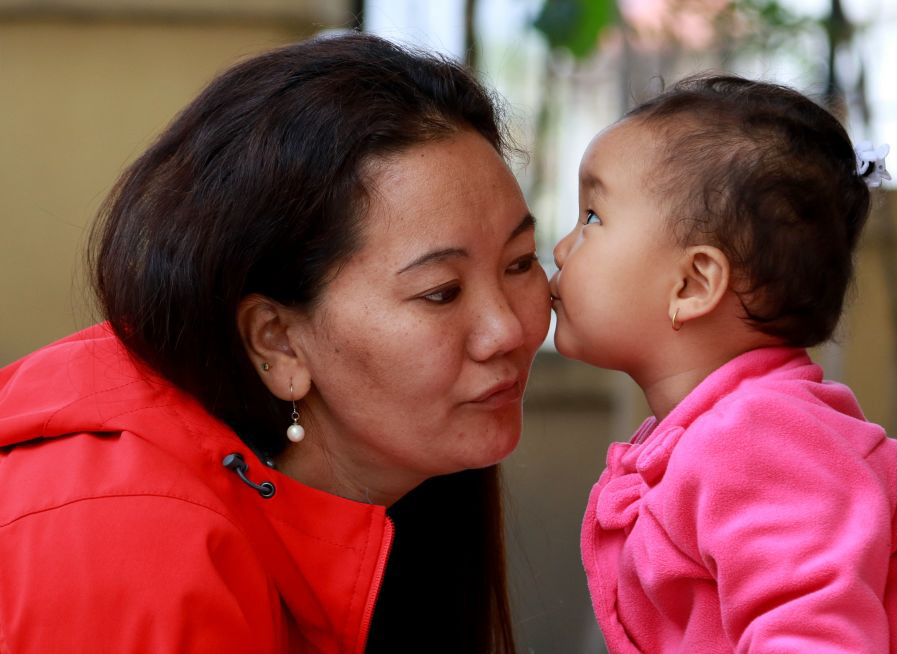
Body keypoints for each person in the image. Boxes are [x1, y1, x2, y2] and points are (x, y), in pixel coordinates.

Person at [0, 33, 550, 653]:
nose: (507, 329)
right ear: (278, 341)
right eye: (442, 292)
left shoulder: (403, 481)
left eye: (521, 263)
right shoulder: (131, 538)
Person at [549, 74, 897, 652]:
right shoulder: (732, 431)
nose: (561, 248)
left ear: (694, 283)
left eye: (592, 218)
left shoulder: (758, 438)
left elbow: (812, 635)